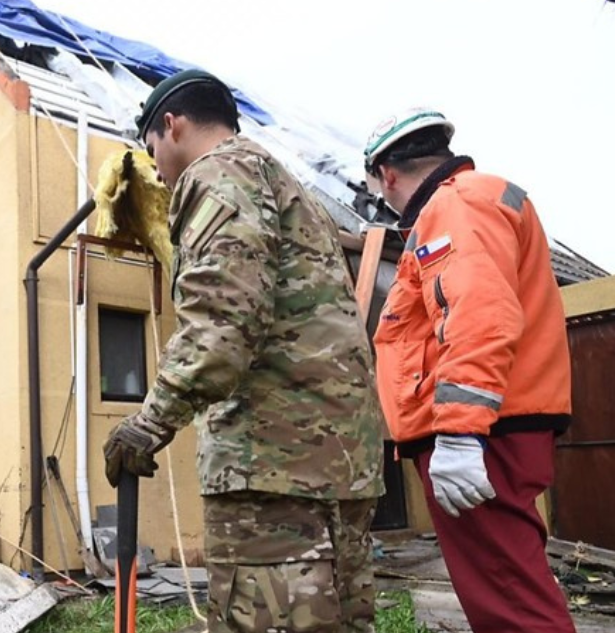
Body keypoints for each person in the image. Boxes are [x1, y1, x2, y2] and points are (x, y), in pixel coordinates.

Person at [104, 69, 385, 633]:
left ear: (172, 124)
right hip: (335, 462)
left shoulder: (219, 175)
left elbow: (222, 322)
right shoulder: (286, 185)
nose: (155, 169)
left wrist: (147, 424)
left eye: (152, 150)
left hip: (272, 470)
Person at [363, 108, 576, 633]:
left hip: (481, 434)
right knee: (506, 587)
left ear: (387, 174)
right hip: (494, 426)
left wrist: (459, 433)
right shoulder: (474, 201)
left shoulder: (453, 206)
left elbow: (478, 313)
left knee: (510, 601)